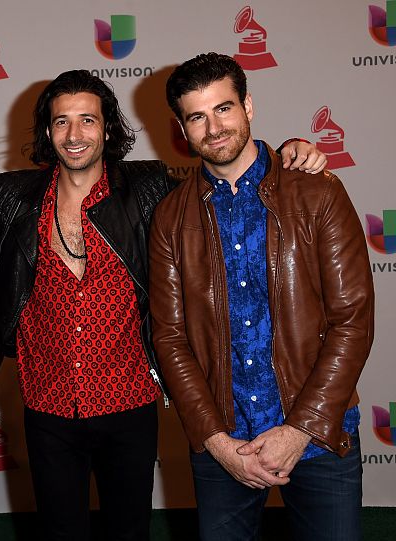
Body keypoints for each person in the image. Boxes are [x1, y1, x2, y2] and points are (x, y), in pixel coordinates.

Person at [0, 69, 325, 541]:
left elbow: (224, 171)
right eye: (61, 121)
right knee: (59, 532)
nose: (74, 134)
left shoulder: (149, 188)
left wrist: (285, 155)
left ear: (107, 129)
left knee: (128, 532)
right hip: (47, 407)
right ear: (48, 132)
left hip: (129, 404)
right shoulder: (11, 196)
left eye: (88, 119)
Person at [150, 52, 373, 541]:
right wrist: (215, 440)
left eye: (224, 108)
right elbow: (169, 337)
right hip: (224, 440)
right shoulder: (169, 217)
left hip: (319, 435)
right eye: (197, 116)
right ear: (181, 128)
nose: (214, 128)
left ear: (248, 105)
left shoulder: (317, 194)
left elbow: (352, 320)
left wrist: (301, 429)